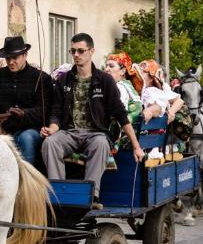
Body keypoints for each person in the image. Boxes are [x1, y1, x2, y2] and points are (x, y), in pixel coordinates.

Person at [42, 33, 145, 209]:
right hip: (68, 132)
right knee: (50, 143)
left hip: (95, 133)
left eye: (81, 51)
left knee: (101, 144)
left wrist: (136, 146)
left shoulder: (104, 80)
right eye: (73, 51)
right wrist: (52, 128)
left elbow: (121, 114)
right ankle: (58, 193)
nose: (76, 55)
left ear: (91, 51)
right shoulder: (63, 80)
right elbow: (56, 112)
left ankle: (92, 195)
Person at [0, 36, 52, 166]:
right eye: (8, 58)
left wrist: (24, 114)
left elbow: (44, 110)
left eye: (15, 58)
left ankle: (26, 179)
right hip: (3, 128)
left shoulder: (41, 78)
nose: (11, 62)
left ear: (25, 55)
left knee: (26, 138)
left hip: (31, 129)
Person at [137, 59, 184, 124]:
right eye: (139, 72)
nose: (139, 76)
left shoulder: (156, 90)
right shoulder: (135, 87)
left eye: (142, 73)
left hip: (150, 127)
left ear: (152, 78)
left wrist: (171, 112)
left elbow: (179, 101)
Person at [104, 52, 142, 122]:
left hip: (122, 130)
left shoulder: (120, 87)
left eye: (111, 66)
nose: (106, 69)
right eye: (106, 66)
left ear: (123, 71)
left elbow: (117, 111)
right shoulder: (126, 84)